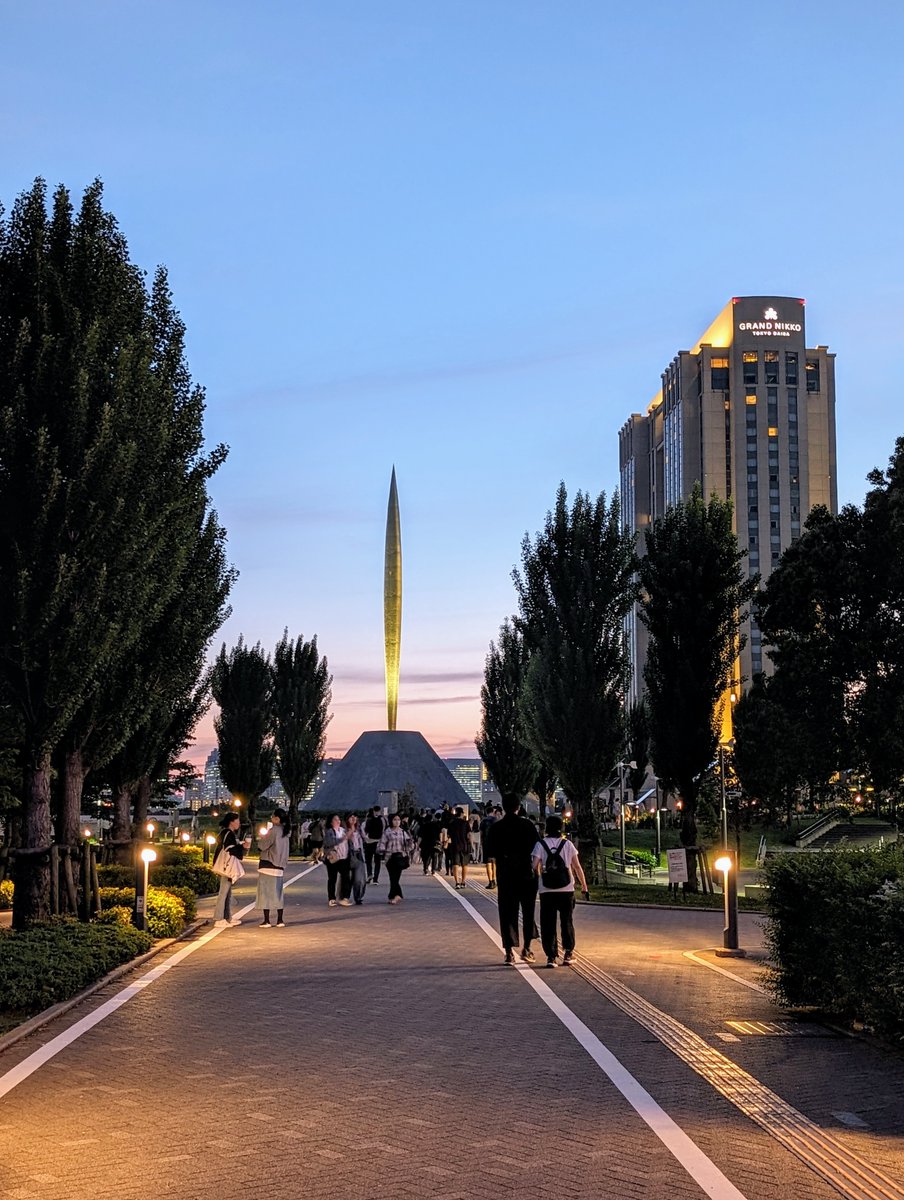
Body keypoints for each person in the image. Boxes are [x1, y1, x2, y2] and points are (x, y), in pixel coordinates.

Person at [485, 796, 540, 964]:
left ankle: (509, 952)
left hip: (505, 873)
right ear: (518, 807)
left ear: (504, 807)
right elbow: (537, 848)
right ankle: (527, 948)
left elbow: (490, 852)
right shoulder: (528, 826)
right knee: (528, 910)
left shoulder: (497, 828)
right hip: (526, 872)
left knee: (507, 911)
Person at [531, 815, 589, 968]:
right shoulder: (568, 844)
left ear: (547, 828)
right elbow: (576, 866)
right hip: (566, 889)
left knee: (548, 923)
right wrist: (584, 886)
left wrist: (537, 879)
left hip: (546, 890)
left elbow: (534, 866)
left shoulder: (540, 844)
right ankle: (568, 953)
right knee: (567, 921)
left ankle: (551, 956)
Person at [214, 813, 251, 927]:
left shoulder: (226, 832)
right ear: (232, 822)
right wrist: (242, 847)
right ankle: (219, 918)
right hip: (227, 866)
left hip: (226, 865)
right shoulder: (228, 833)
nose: (239, 823)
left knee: (227, 892)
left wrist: (239, 844)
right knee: (224, 892)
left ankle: (227, 917)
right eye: (237, 821)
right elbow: (230, 849)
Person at [256, 808, 291, 927]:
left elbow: (262, 846)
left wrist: (262, 836)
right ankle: (280, 920)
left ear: (277, 818)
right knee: (278, 894)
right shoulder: (286, 832)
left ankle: (267, 921)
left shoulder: (273, 830)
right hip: (280, 866)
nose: (271, 818)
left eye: (272, 816)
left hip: (268, 864)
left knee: (265, 894)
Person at [377, 813, 414, 903]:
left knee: (395, 877)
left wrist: (410, 842)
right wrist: (381, 850)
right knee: (392, 878)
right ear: (391, 821)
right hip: (390, 857)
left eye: (398, 820)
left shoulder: (402, 832)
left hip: (400, 857)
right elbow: (382, 843)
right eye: (395, 820)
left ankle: (396, 896)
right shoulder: (387, 832)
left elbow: (409, 846)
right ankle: (393, 895)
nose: (397, 822)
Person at [323, 814, 352, 907]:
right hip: (333, 858)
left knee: (346, 877)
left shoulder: (343, 831)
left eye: (339, 819)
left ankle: (345, 897)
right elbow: (329, 842)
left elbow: (349, 841)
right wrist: (342, 839)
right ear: (331, 822)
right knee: (332, 878)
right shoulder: (329, 832)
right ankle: (331, 898)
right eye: (335, 819)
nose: (338, 821)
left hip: (344, 857)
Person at [448, 806, 471, 890]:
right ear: (461, 813)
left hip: (454, 846)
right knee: (464, 864)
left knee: (455, 864)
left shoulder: (451, 823)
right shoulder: (465, 823)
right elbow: (469, 835)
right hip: (464, 845)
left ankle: (457, 882)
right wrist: (470, 845)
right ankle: (463, 882)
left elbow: (449, 835)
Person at [346, 813, 368, 904]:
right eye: (351, 817)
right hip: (348, 856)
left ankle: (358, 897)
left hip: (358, 854)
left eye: (355, 816)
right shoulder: (344, 830)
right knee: (348, 878)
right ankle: (345, 897)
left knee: (359, 879)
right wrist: (351, 827)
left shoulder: (359, 830)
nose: (353, 818)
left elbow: (365, 839)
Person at [362, 805, 385, 883]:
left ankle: (369, 875)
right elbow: (384, 830)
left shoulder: (369, 819)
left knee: (368, 860)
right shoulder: (382, 819)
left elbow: (365, 830)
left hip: (369, 842)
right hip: (378, 842)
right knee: (377, 861)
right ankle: (376, 879)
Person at [479, 806, 499, 890]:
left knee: (488, 863)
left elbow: (481, 833)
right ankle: (494, 879)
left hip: (486, 844)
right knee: (494, 862)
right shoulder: (496, 821)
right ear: (493, 812)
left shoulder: (483, 821)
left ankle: (490, 881)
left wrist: (481, 842)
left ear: (487, 812)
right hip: (496, 844)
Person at [419, 810, 441, 875]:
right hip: (434, 843)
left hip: (425, 844)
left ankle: (425, 869)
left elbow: (420, 836)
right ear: (431, 819)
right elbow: (439, 834)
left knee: (426, 857)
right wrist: (440, 841)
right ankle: (433, 870)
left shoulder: (423, 826)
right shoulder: (436, 825)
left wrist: (418, 844)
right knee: (434, 856)